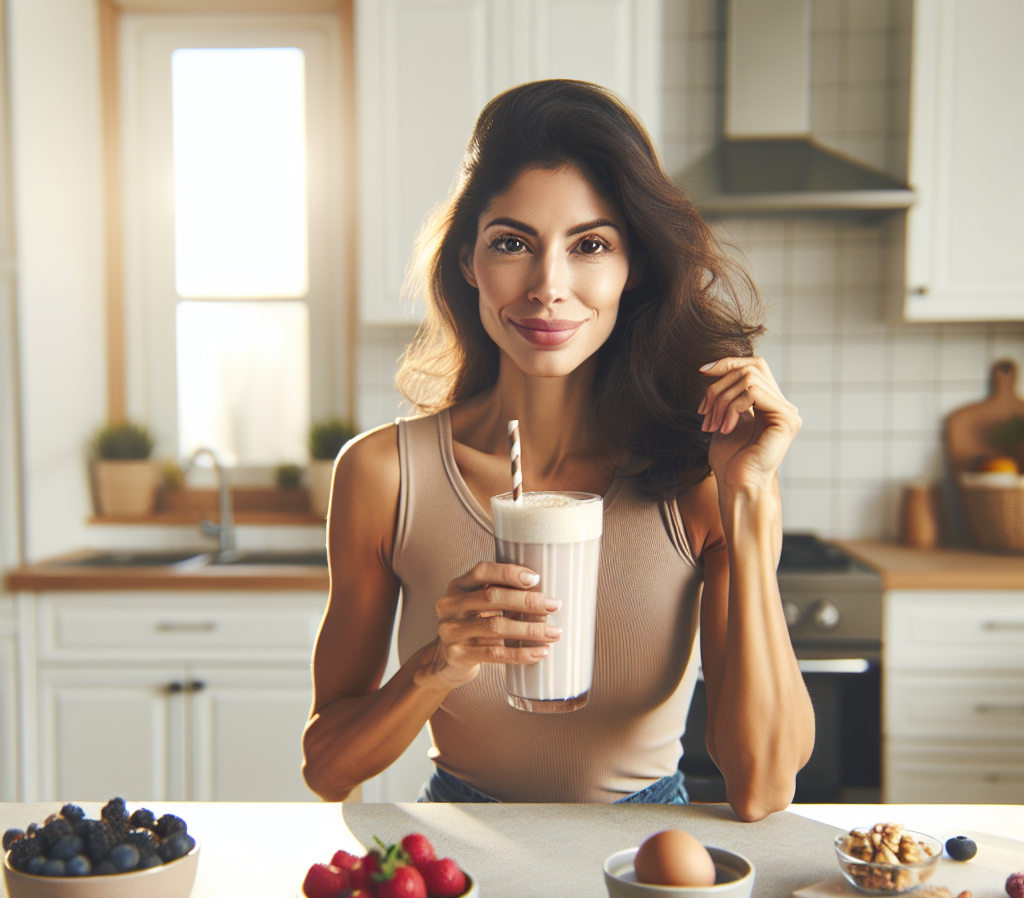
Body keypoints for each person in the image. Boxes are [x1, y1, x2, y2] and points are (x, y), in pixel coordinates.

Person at [302, 80, 814, 820]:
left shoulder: (701, 478)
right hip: (460, 853)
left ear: (631, 268)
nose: (548, 287)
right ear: (469, 262)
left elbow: (763, 787)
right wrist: (435, 667)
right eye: (512, 243)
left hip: (642, 861)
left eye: (591, 245)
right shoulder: (383, 475)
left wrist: (750, 505)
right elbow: (327, 770)